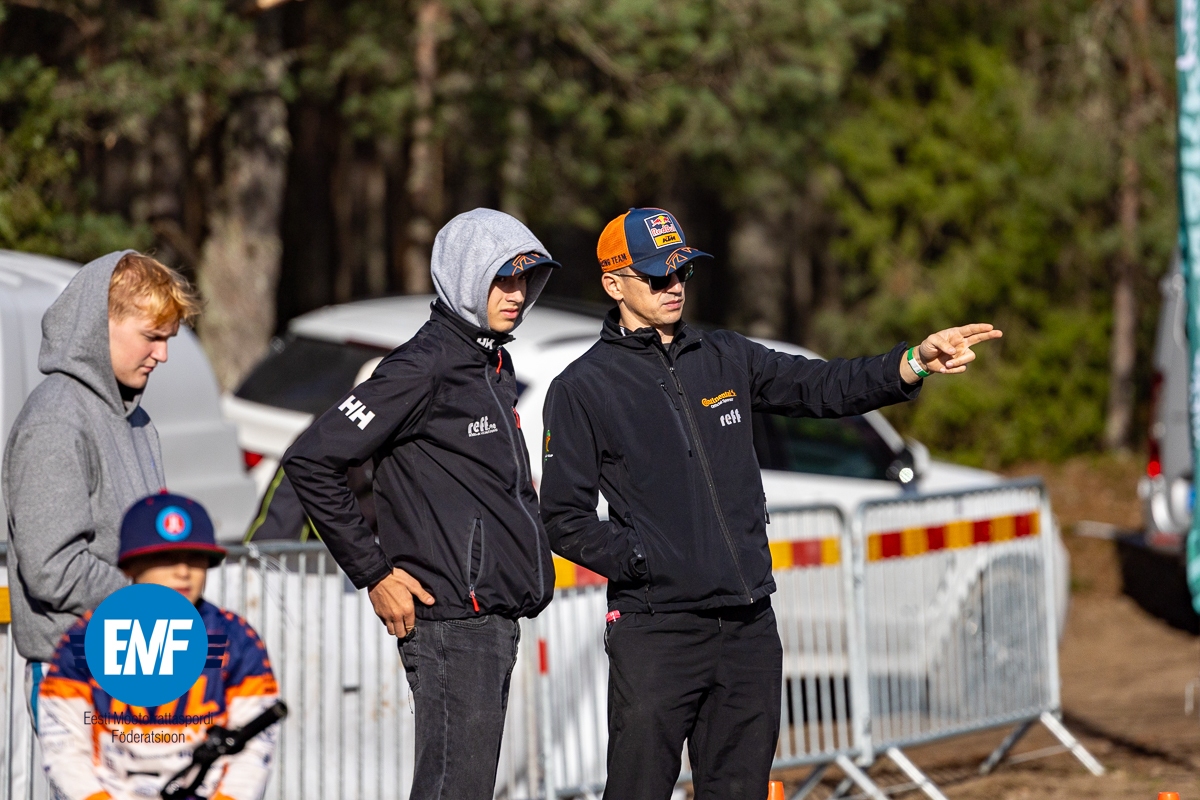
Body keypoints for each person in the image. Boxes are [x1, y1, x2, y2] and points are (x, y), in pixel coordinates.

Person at [539, 207, 1002, 800]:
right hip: (658, 630)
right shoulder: (582, 387)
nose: (674, 285)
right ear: (614, 284)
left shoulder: (724, 354)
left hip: (748, 624)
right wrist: (645, 560)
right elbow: (564, 519)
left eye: (682, 270)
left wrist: (911, 364)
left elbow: (822, 386)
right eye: (657, 276)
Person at [282, 208, 559, 800]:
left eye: (525, 279)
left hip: (490, 623)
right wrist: (375, 574)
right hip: (452, 625)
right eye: (501, 278)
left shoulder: (490, 362)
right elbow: (310, 458)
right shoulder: (423, 365)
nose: (516, 294)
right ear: (464, 276)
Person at [4, 251, 200, 726]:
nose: (163, 355)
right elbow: (52, 569)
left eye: (168, 339)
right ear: (99, 326)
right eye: (152, 337)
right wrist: (152, 598)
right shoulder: (56, 420)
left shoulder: (137, 422)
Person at [37, 493, 280, 800]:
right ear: (129, 567)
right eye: (166, 558)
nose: (183, 571)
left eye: (195, 558)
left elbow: (254, 748)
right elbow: (64, 744)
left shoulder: (237, 639)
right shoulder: (85, 641)